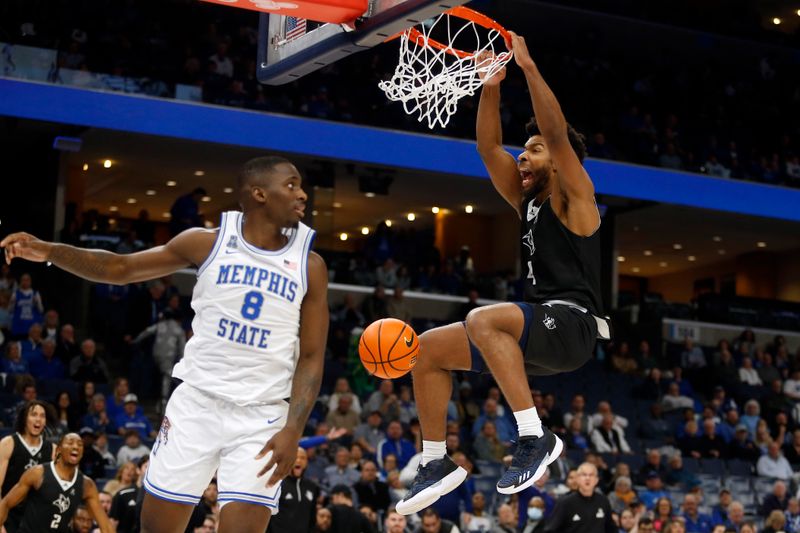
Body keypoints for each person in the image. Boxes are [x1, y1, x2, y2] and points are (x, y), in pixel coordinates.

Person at [1, 155, 328, 532]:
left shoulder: (310, 265)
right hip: (197, 404)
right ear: (258, 193)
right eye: (291, 185)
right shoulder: (206, 243)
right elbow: (119, 269)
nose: (302, 194)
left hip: (262, 416)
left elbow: (313, 356)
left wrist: (293, 429)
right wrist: (49, 251)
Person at [397, 33, 609, 514]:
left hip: (572, 324)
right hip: (538, 330)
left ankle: (534, 437)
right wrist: (490, 85)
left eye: (533, 149)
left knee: (482, 319)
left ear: (560, 161)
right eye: (525, 149)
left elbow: (557, 137)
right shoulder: (527, 201)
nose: (523, 155)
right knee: (424, 350)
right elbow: (487, 146)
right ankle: (435, 461)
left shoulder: (576, 197)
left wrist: (529, 69)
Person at [0, 433, 113, 532]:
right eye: (70, 443)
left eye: (80, 444)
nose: (75, 446)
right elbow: (6, 504)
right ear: (58, 450)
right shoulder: (37, 473)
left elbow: (105, 525)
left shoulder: (87, 484)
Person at [0, 400, 56, 533]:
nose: (38, 419)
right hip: (9, 515)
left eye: (42, 416)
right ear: (24, 418)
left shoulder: (53, 450)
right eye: (34, 414)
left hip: (36, 519)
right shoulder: (9, 443)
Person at [543, 462, 616, 532]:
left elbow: (611, 529)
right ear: (577, 479)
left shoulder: (603, 501)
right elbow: (550, 529)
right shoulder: (565, 502)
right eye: (584, 475)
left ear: (596, 480)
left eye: (591, 475)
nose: (588, 478)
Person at [267, 447, 320, 533]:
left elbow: (312, 518)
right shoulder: (277, 484)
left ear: (307, 462)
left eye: (303, 458)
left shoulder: (312, 487)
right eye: (295, 457)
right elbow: (268, 516)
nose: (299, 461)